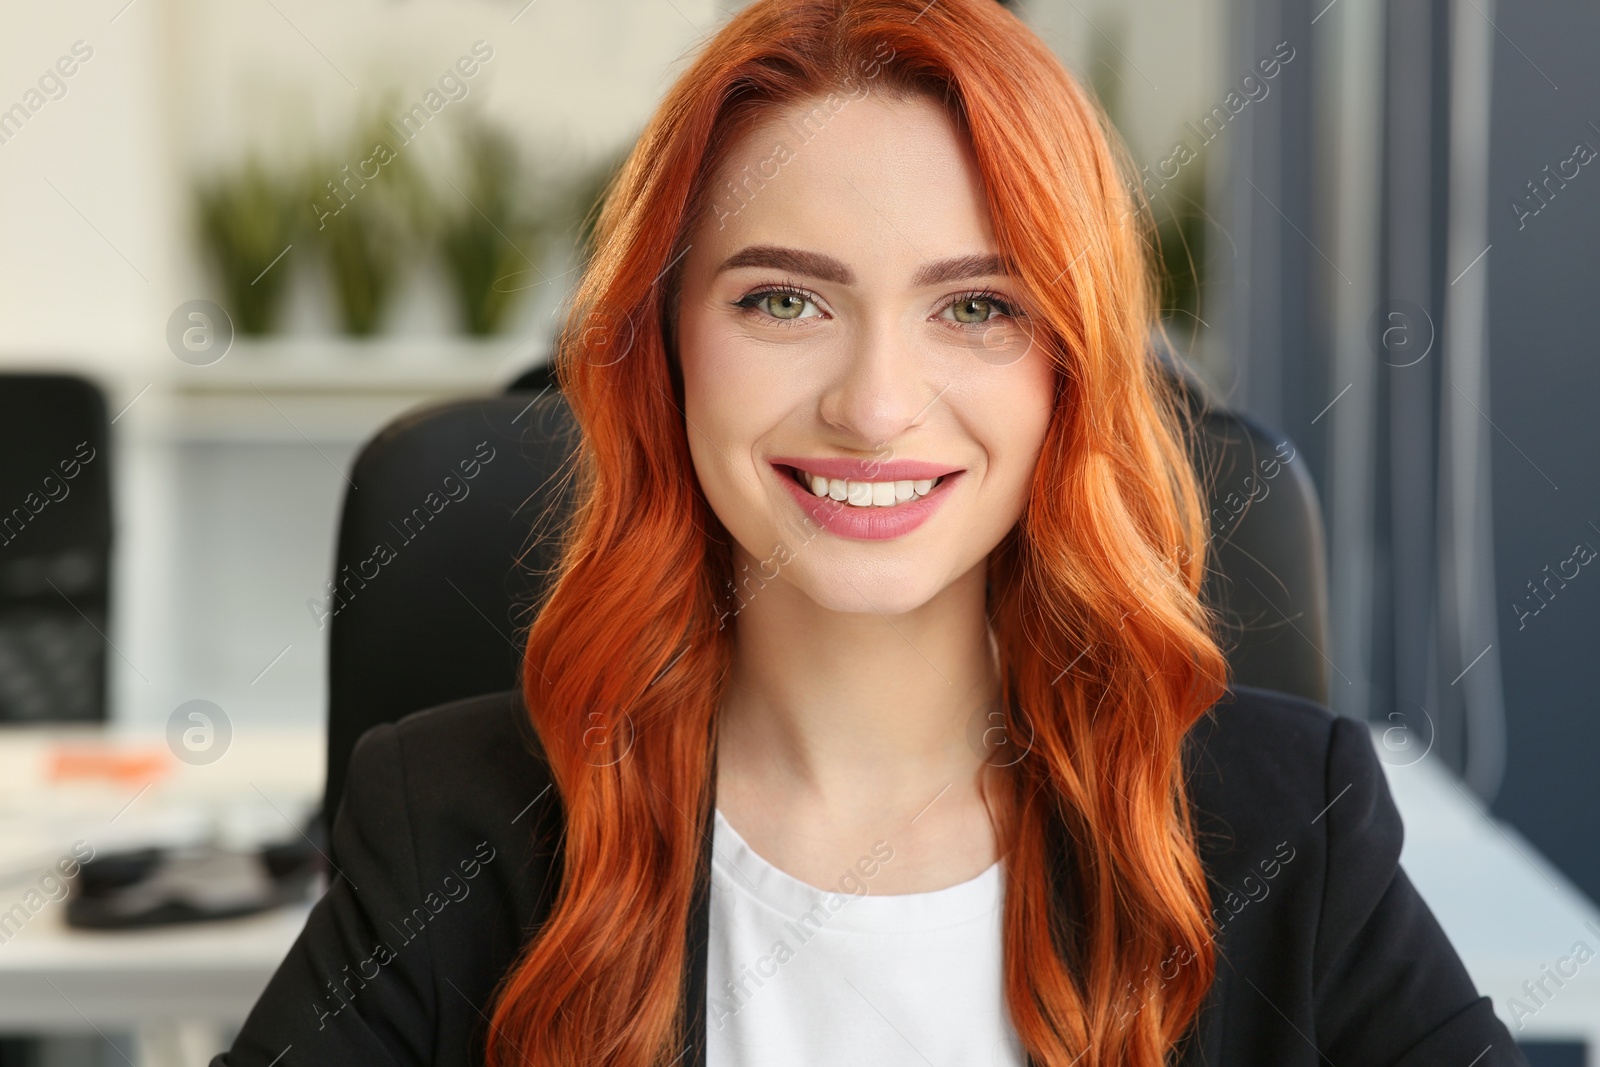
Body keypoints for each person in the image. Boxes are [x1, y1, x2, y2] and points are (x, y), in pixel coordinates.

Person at [212, 1, 1528, 1064]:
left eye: (975, 310)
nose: (875, 407)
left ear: (1069, 370)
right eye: (784, 301)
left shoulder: (1288, 825)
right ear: (662, 352)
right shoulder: (449, 825)